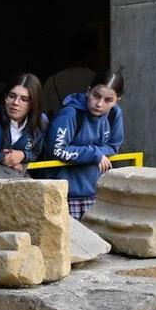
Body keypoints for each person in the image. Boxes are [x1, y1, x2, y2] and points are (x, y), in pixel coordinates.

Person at [43, 69, 125, 218]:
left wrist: (97, 153)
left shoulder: (114, 114)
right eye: (96, 96)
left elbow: (114, 146)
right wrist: (94, 154)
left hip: (98, 192)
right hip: (67, 193)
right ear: (88, 91)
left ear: (116, 101)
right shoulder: (70, 114)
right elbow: (56, 150)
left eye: (108, 100)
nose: (99, 104)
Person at [0, 73, 49, 172]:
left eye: (24, 99)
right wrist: (2, 157)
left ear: (33, 104)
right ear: (4, 96)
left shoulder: (40, 122)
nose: (15, 102)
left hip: (15, 178)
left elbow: (36, 153)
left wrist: (23, 155)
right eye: (11, 96)